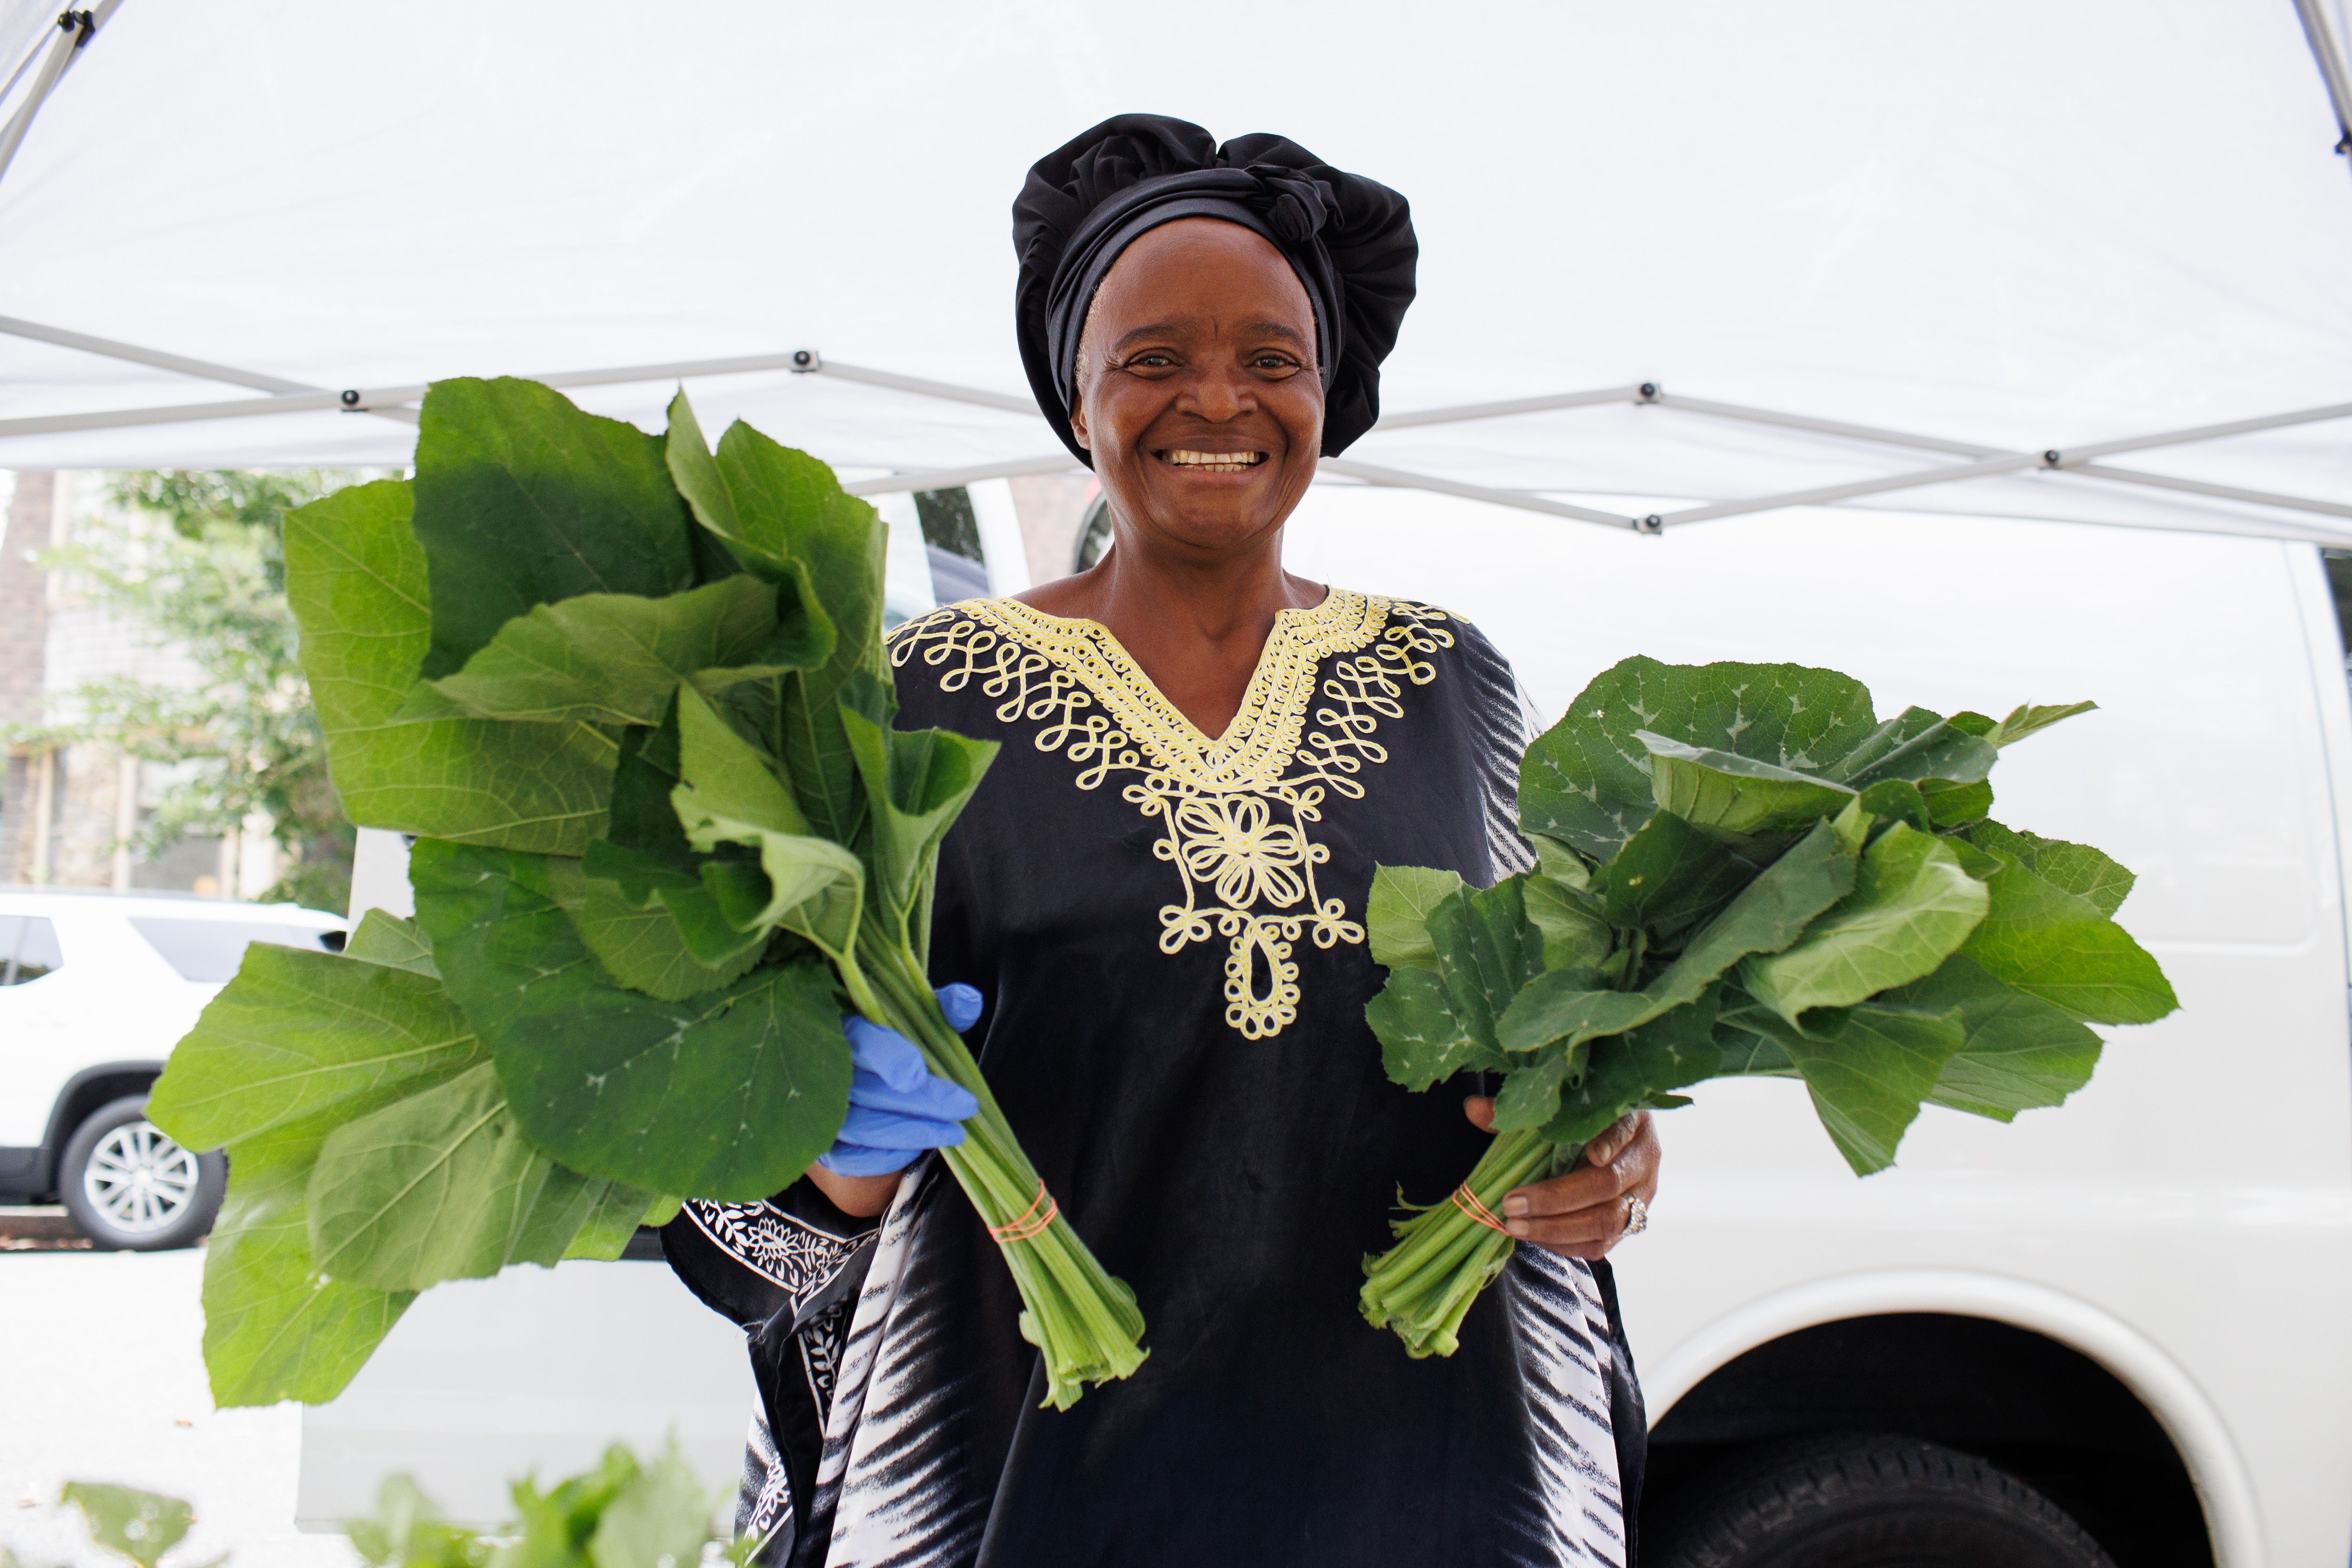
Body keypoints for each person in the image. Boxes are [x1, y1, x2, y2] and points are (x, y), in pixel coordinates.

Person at [663, 113, 1664, 1568]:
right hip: (1022, 1482)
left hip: (1431, 1481)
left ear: (1324, 394)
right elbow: (736, 1217)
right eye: (1151, 358)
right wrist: (829, 1152)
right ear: (1077, 403)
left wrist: (1606, 1162)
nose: (1219, 398)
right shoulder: (913, 695)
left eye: (1273, 357)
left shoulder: (1453, 681)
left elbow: (1546, 1050)